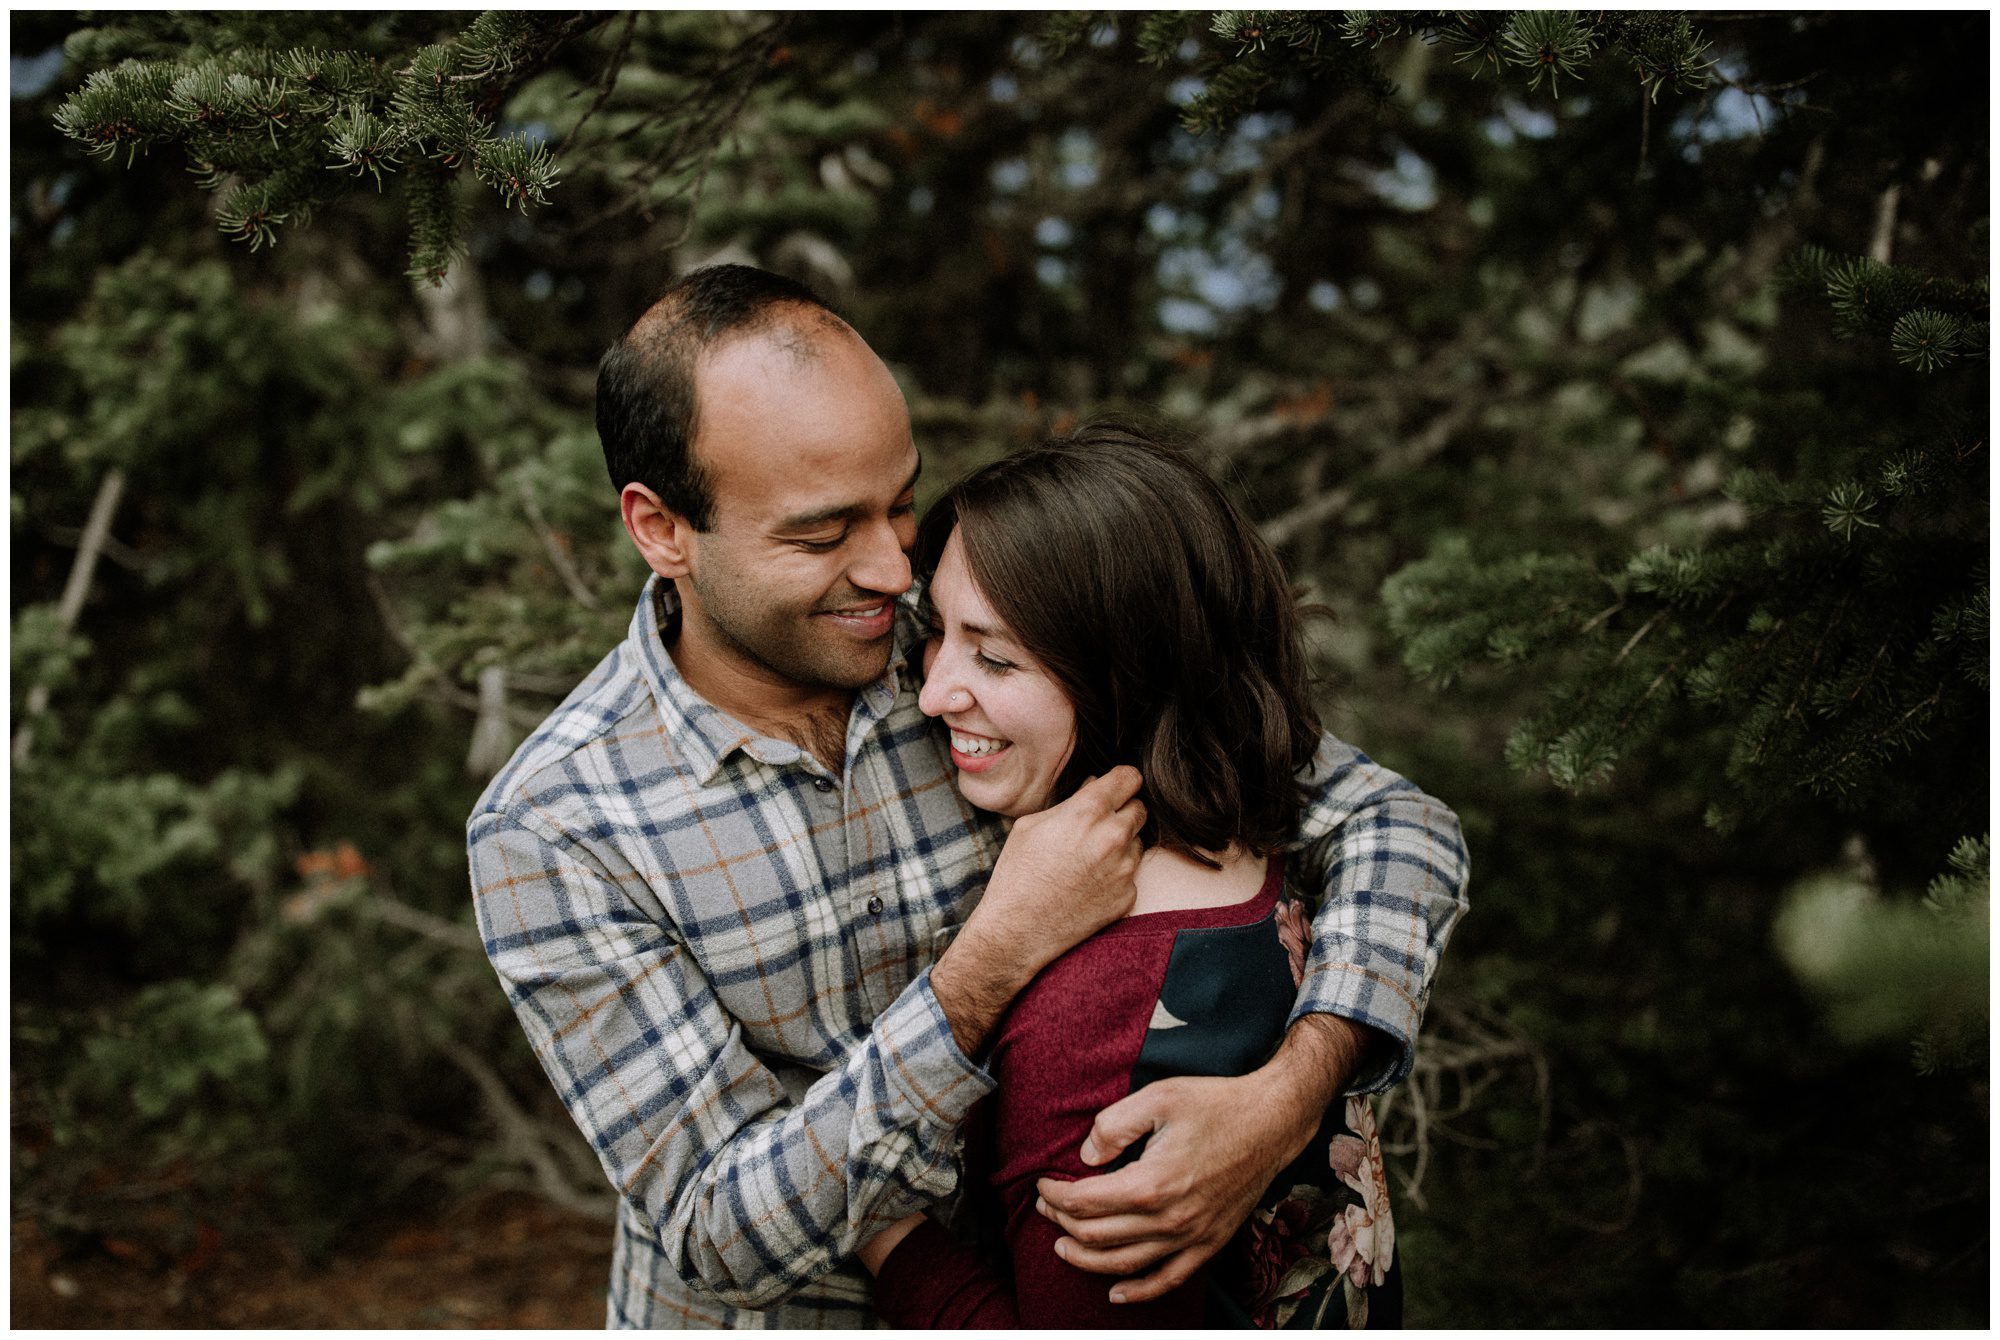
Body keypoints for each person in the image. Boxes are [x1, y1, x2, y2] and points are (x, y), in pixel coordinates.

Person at [466, 264, 1469, 1327]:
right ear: (661, 527)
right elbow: (717, 1228)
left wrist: (1288, 1093)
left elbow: (1390, 818)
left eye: (898, 502)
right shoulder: (557, 828)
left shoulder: (966, 635)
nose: (889, 568)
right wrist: (985, 964)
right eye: (820, 533)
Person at [858, 425, 1412, 1328]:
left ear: (1130, 675)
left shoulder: (1091, 1028)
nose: (932, 692)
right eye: (938, 633)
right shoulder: (1245, 844)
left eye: (994, 656)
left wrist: (888, 1236)